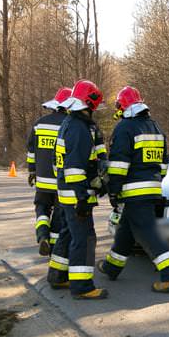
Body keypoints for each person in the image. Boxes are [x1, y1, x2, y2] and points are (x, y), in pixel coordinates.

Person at [96, 86, 169, 292]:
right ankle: (112, 267)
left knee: (147, 233)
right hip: (153, 188)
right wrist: (155, 182)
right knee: (125, 231)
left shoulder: (125, 128)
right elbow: (164, 164)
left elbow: (118, 165)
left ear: (123, 106)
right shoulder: (156, 127)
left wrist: (114, 191)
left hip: (133, 191)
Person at [47, 79, 108, 299]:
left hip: (66, 192)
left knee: (67, 233)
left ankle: (58, 275)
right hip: (76, 195)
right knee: (84, 237)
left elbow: (59, 164)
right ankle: (82, 287)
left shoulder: (68, 124)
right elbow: (74, 167)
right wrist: (82, 197)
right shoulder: (80, 129)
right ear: (88, 103)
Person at [27, 87, 71, 255]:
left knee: (42, 208)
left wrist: (32, 171)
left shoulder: (39, 123)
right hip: (61, 181)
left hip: (43, 179)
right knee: (59, 215)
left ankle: (42, 235)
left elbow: (31, 151)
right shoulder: (69, 125)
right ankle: (53, 246)